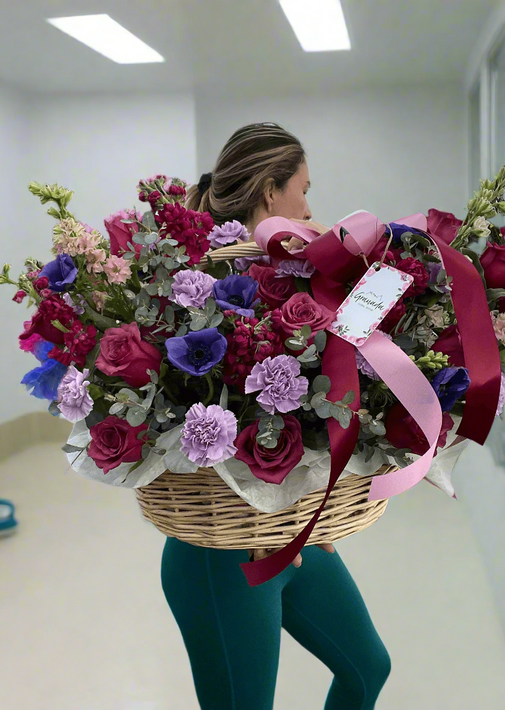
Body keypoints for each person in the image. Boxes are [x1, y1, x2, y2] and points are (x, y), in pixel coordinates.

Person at [161, 123, 391, 710]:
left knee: (368, 667)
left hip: (292, 537)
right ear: (270, 191)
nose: (310, 206)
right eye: (304, 189)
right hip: (222, 557)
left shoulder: (294, 286)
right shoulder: (195, 293)